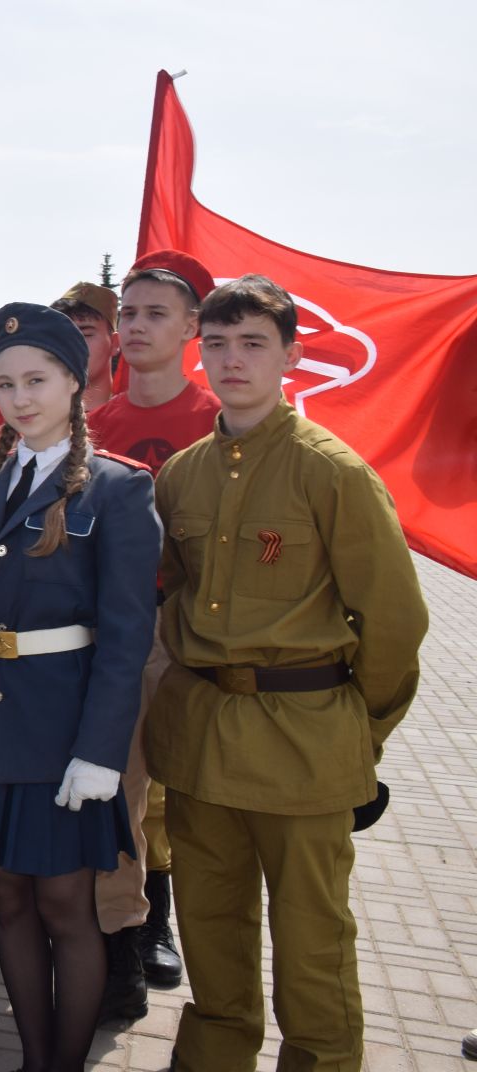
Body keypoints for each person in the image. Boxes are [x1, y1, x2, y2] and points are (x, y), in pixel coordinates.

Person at [146, 274, 427, 1072]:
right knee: (209, 923)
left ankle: (323, 1061)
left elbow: (396, 621)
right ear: (201, 355)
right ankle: (214, 1057)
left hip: (306, 748)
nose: (233, 360)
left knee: (311, 939)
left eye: (253, 344)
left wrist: (355, 730)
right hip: (201, 741)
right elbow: (170, 595)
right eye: (219, 343)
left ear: (291, 357)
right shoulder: (185, 474)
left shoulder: (331, 471)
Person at [0, 302, 160, 1072]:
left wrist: (101, 752)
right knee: (11, 901)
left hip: (62, 733)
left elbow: (128, 637)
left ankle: (63, 1065)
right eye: (8, 383)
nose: (22, 398)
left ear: (74, 384)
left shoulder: (117, 491)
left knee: (67, 908)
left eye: (39, 380)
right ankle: (30, 1058)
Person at [83, 248, 220, 1019]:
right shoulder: (93, 425)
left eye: (154, 313)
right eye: (126, 313)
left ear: (193, 328)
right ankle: (122, 951)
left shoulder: (218, 422)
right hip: (115, 637)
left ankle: (191, 949)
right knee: (120, 800)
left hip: (196, 634)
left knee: (194, 807)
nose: (134, 326)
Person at [49, 282, 118, 412]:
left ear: (115, 343)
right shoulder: (35, 422)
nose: (71, 344)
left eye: (85, 334)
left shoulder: (133, 421)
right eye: (62, 336)